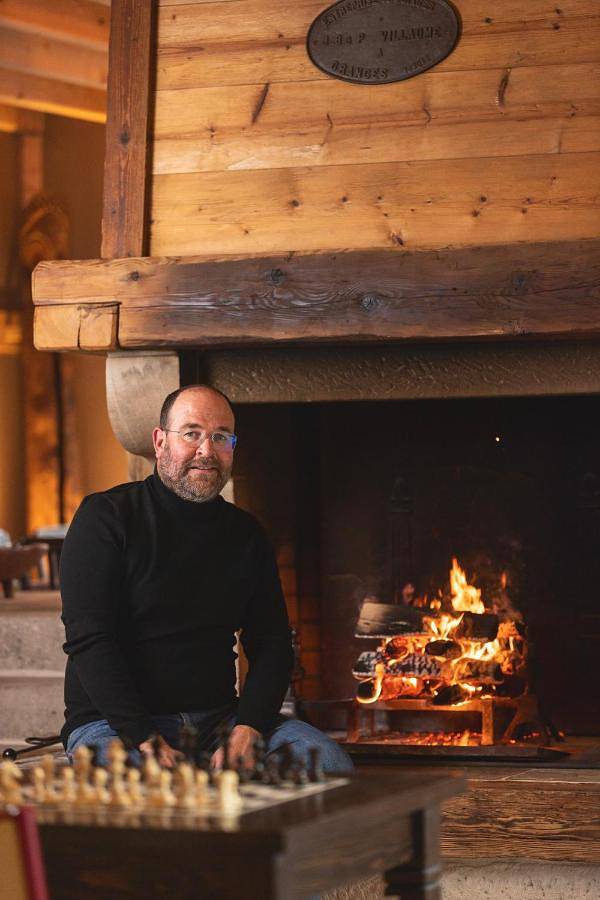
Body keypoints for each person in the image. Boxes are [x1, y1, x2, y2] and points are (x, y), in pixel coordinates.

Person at [60, 385, 352, 773]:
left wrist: (248, 728)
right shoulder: (106, 517)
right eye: (192, 433)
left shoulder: (246, 534)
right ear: (160, 441)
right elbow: (90, 639)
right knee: (142, 797)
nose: (206, 450)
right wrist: (144, 738)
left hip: (218, 721)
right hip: (112, 726)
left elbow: (272, 643)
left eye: (220, 437)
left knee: (329, 763)